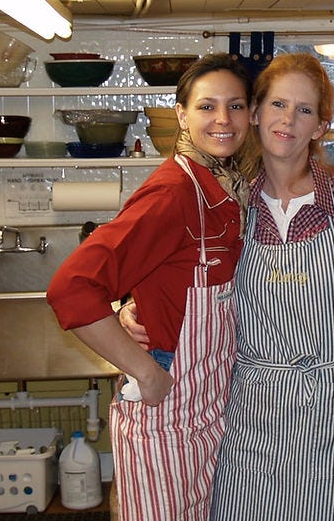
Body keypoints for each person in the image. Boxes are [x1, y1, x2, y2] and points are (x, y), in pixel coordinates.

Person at [122, 52, 334, 519]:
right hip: (255, 422)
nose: (288, 120)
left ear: (321, 127)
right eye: (278, 105)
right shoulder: (222, 202)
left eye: (305, 110)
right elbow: (177, 278)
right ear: (256, 114)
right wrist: (131, 309)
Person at [46, 52, 253, 521]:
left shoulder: (225, 188)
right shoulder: (174, 192)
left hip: (209, 406)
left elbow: (171, 276)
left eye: (235, 106)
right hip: (167, 406)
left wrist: (131, 302)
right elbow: (72, 288)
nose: (223, 119)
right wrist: (146, 372)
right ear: (181, 114)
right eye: (206, 106)